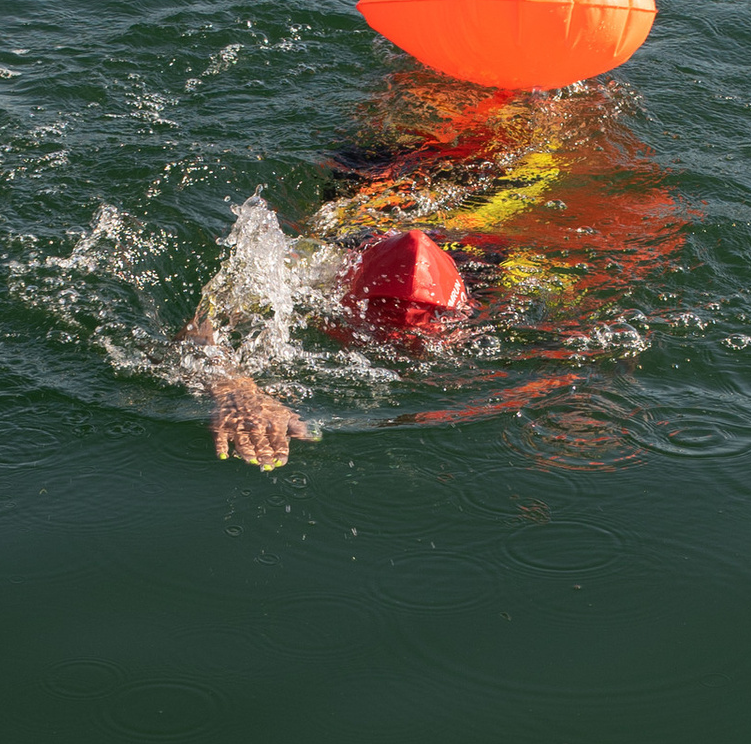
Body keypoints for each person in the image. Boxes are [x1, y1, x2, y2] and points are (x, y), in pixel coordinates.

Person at [179, 63, 685, 467]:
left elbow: (603, 330)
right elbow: (202, 325)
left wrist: (593, 387)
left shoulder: (508, 274)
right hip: (399, 193)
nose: (407, 340)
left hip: (390, 185)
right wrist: (234, 389)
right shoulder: (317, 269)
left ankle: (524, 70)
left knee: (524, 117)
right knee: (503, 121)